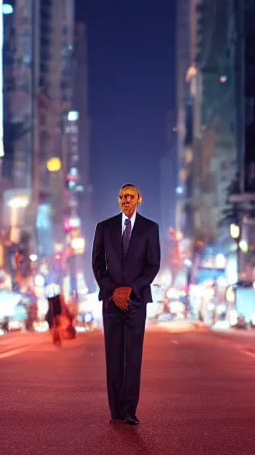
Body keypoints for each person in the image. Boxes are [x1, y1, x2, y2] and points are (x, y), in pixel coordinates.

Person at [92, 183, 160, 426]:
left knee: (133, 357)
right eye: (121, 196)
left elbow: (153, 265)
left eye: (130, 196)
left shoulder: (150, 228)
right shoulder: (104, 227)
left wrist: (131, 290)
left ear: (139, 199)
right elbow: (98, 264)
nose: (126, 200)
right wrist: (113, 290)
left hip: (136, 302)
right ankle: (115, 411)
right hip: (111, 302)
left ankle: (129, 409)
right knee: (113, 357)